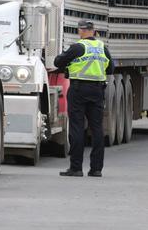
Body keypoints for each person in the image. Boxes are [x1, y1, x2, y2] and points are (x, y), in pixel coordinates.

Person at [54, 19, 114, 178]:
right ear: (93, 31)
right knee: (97, 130)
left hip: (79, 90)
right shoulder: (103, 48)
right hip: (97, 90)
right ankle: (96, 169)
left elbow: (58, 61)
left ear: (80, 31)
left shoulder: (78, 47)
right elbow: (111, 68)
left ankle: (76, 168)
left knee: (77, 128)